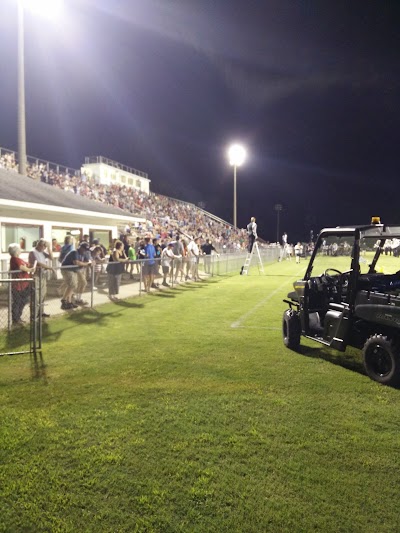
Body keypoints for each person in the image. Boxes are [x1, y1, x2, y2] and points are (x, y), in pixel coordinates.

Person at [8, 243, 36, 325]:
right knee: (17, 301)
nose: (20, 250)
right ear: (16, 251)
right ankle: (15, 319)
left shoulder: (18, 259)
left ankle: (18, 317)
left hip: (24, 283)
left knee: (24, 300)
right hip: (18, 285)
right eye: (19, 249)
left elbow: (26, 265)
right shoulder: (14, 259)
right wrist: (30, 270)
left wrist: (30, 266)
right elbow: (21, 267)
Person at [60, 242, 92, 310]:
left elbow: (88, 261)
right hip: (67, 269)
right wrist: (87, 264)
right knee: (72, 285)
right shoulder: (75, 252)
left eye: (86, 249)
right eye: (84, 248)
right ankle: (64, 300)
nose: (85, 250)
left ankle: (69, 302)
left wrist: (88, 262)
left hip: (74, 270)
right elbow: (76, 262)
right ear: (80, 247)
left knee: (74, 285)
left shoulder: (84, 253)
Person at [29, 239, 54, 318]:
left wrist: (49, 248)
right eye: (44, 246)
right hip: (36, 275)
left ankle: (41, 312)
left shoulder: (42, 252)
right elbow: (38, 263)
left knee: (43, 294)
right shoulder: (33, 252)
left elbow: (51, 258)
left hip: (42, 275)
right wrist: (49, 267)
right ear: (39, 245)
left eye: (45, 246)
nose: (45, 248)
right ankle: (34, 315)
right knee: (36, 296)